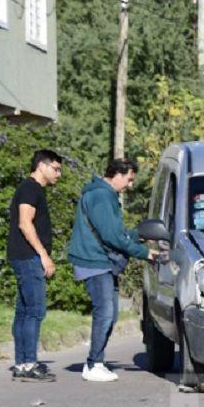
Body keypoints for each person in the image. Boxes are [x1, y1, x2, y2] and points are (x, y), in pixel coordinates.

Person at [68, 158, 159, 382]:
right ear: (117, 174)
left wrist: (137, 235)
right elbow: (112, 236)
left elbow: (114, 232)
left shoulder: (104, 195)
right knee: (105, 312)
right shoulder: (101, 196)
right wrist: (144, 252)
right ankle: (93, 364)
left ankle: (97, 361)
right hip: (94, 261)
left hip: (101, 261)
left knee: (111, 313)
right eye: (129, 179)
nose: (130, 185)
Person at [8, 149, 62, 382]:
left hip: (23, 256)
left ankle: (22, 363)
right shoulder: (30, 188)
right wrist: (43, 255)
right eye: (56, 168)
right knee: (35, 311)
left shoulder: (31, 189)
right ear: (42, 165)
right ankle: (29, 363)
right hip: (29, 257)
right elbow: (24, 223)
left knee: (24, 312)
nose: (58, 174)